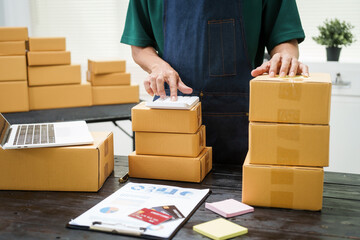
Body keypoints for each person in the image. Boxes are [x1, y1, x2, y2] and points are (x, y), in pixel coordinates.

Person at [121, 0, 308, 165]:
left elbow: (284, 37)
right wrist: (157, 66)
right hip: (173, 119)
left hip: (240, 125)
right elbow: (139, 46)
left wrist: (285, 57)